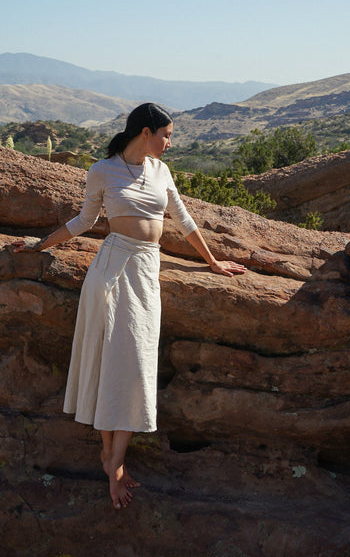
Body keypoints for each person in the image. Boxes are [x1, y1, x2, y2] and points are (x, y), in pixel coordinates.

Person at [13, 103, 246, 509]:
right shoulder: (103, 170)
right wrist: (38, 244)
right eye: (166, 135)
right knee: (109, 359)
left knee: (136, 362)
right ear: (145, 132)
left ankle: (112, 457)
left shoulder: (161, 171)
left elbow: (185, 220)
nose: (169, 143)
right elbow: (84, 221)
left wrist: (212, 262)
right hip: (111, 267)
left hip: (145, 267)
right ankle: (113, 461)